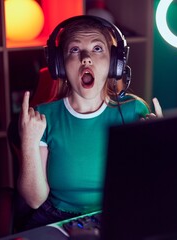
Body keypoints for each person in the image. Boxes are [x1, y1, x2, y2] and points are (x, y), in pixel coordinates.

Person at [17, 15, 163, 229]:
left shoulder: (134, 111)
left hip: (116, 213)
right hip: (56, 217)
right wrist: (28, 142)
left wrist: (159, 145)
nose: (86, 58)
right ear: (59, 64)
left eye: (97, 48)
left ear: (115, 63)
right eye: (74, 50)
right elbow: (34, 200)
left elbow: (148, 186)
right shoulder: (43, 117)